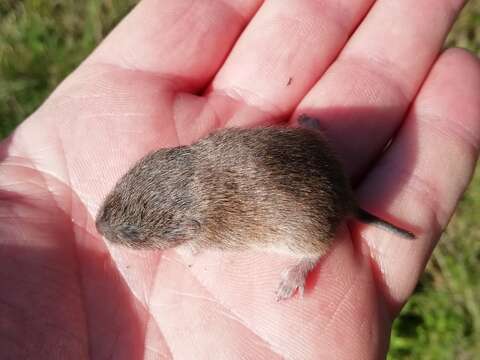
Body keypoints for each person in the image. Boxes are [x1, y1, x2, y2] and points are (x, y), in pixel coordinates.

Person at [1, 0, 479, 358]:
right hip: (304, 158)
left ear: (181, 232)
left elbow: (213, 230)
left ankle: (310, 256)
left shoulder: (210, 226)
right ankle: (312, 141)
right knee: (270, 158)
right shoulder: (203, 151)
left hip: (313, 212)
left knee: (305, 231)